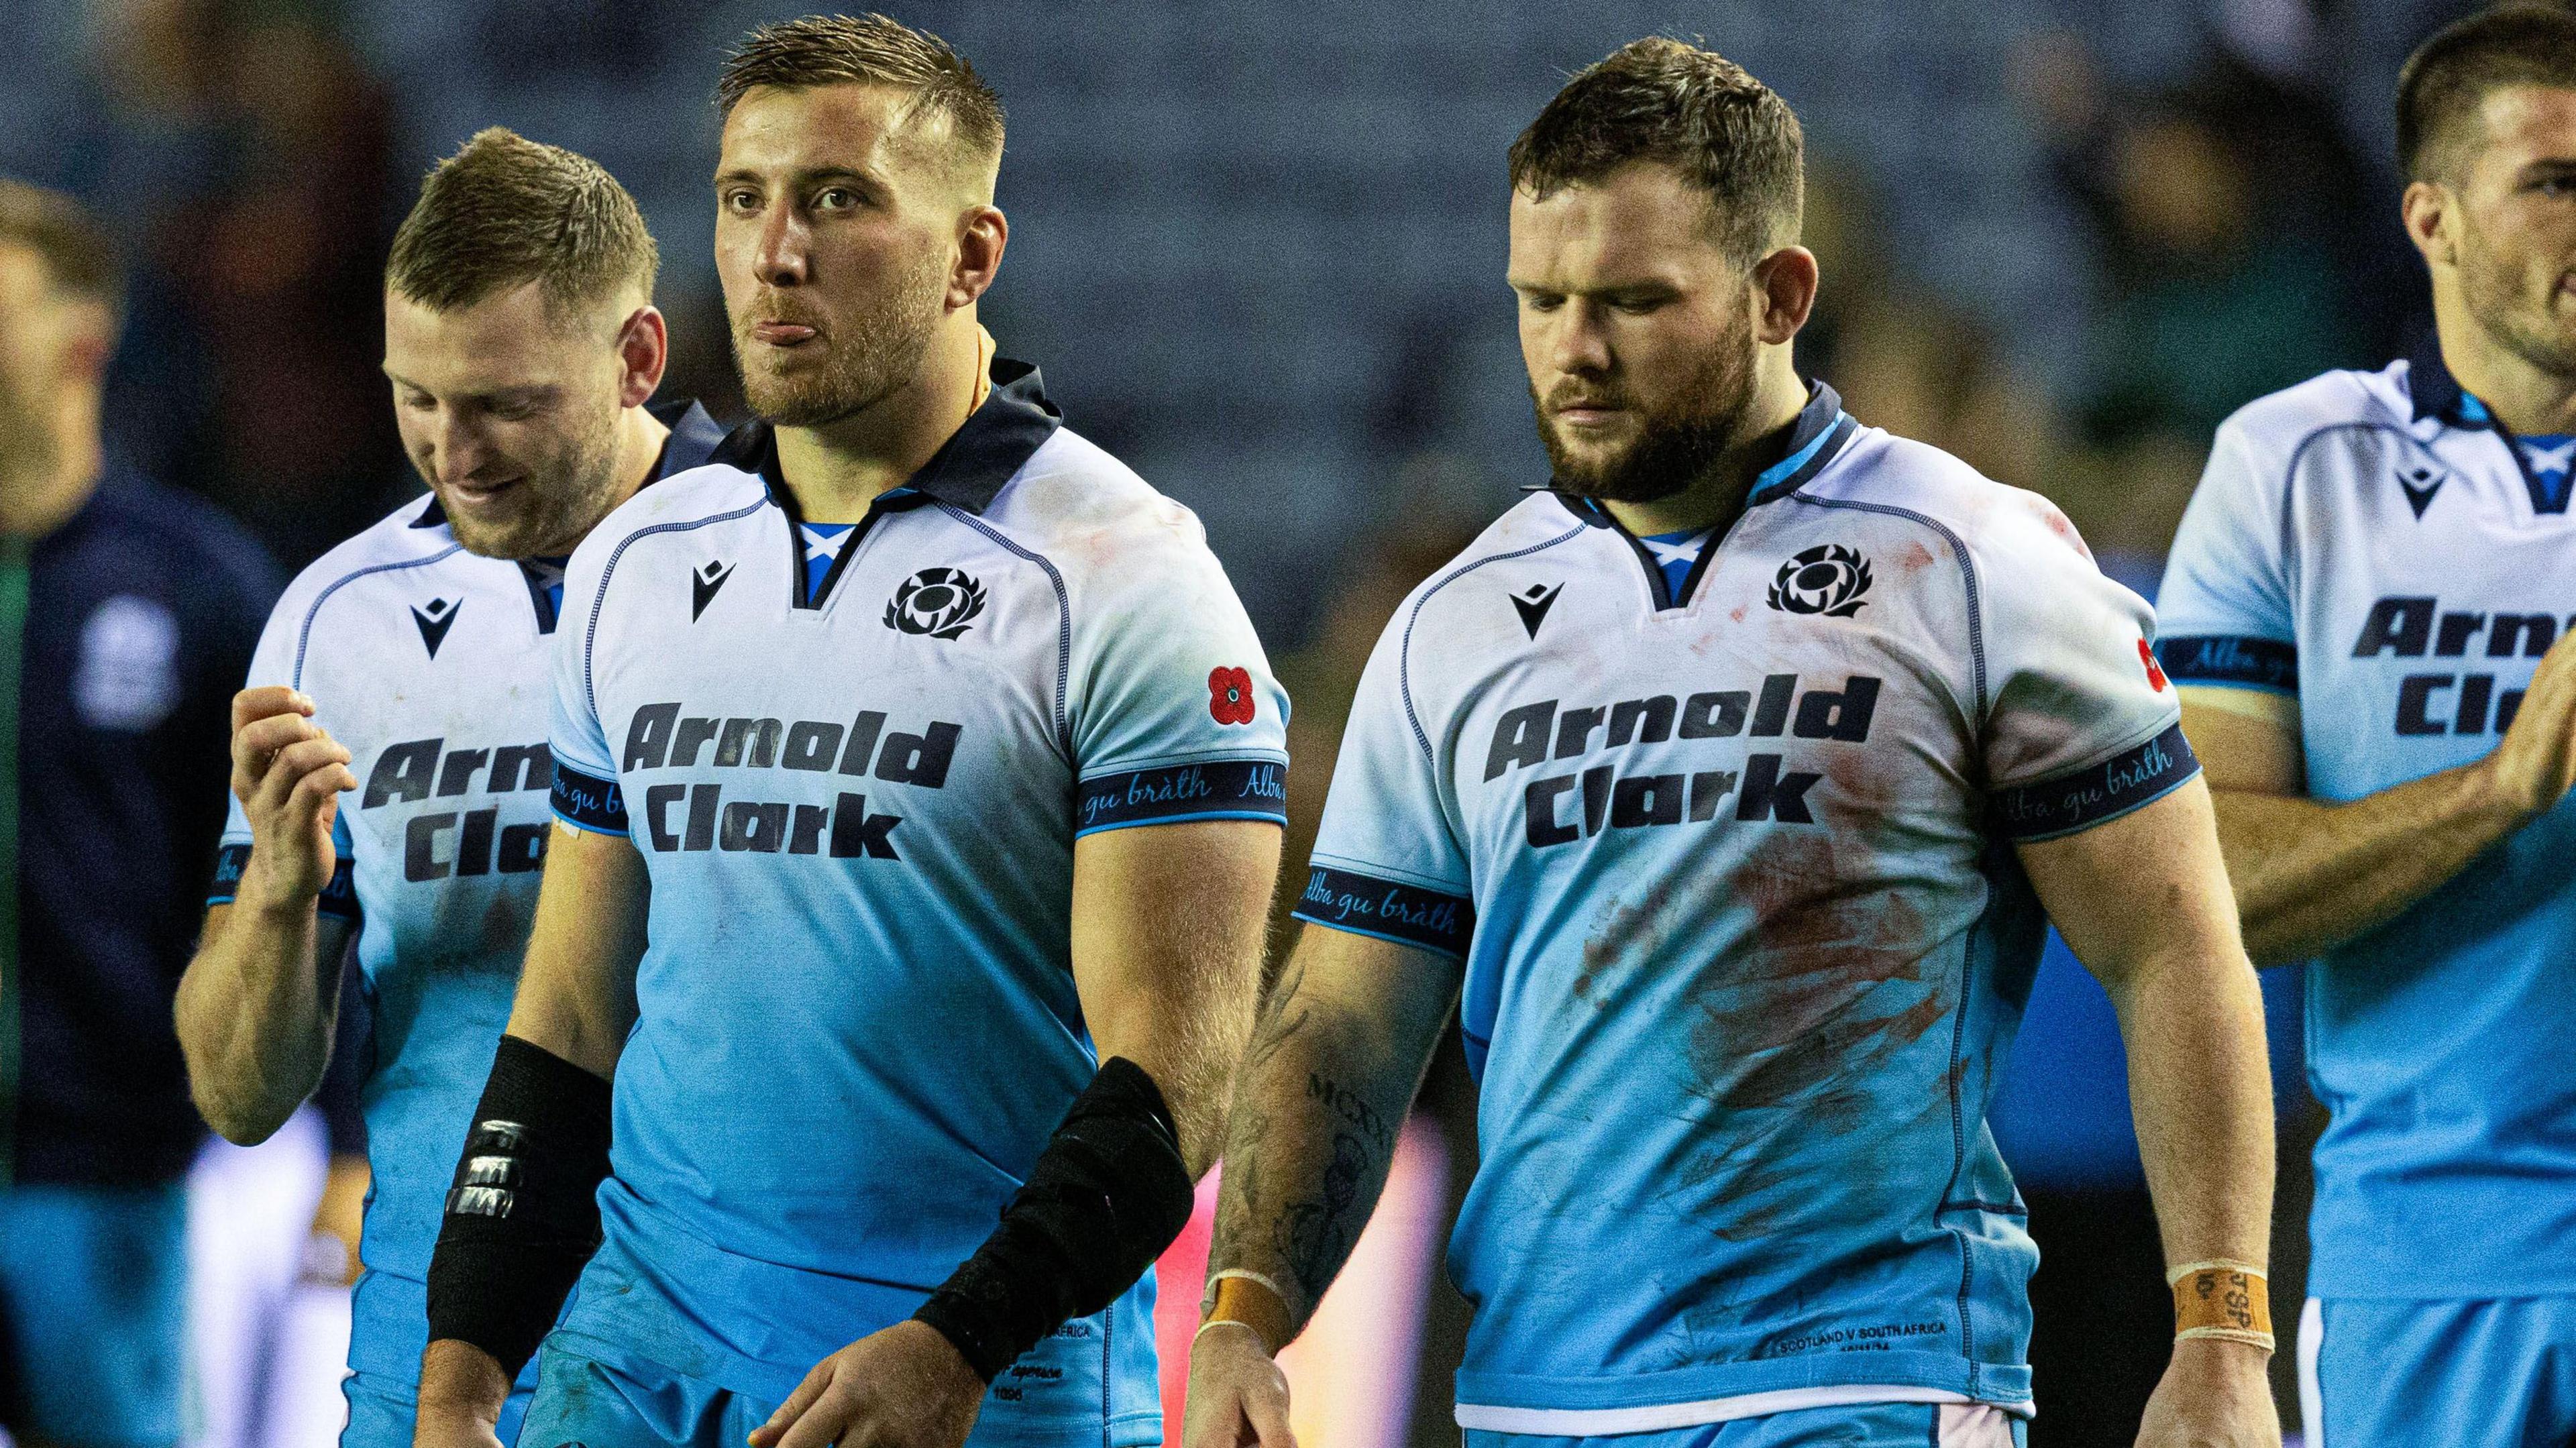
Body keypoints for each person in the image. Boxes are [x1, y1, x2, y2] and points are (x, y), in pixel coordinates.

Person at [1186, 38, 2282, 1448]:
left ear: (1781, 296)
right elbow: (1345, 1013)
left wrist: (2224, 1337)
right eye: (1542, 299)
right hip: (1534, 1402)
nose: (1574, 349)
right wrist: (1244, 1315)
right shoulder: (1450, 624)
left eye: (1636, 301)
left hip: (1871, 1392)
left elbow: (2178, 939)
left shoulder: (1976, 563)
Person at [412, 16, 1286, 1448]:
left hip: (986, 1383)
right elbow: (566, 1023)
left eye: (838, 200)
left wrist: (960, 1344)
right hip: (637, 1362)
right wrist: (461, 1377)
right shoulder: (640, 559)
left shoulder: (1129, 579)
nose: (773, 253)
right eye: (744, 197)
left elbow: (1177, 1084)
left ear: (973, 255)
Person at [172, 127, 725, 1447]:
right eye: (416, 397)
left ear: (637, 359)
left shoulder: (806, 573)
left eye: (502, 403)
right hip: (439, 1365)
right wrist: (281, 895)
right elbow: (239, 1096)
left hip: (746, 1352)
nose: (450, 449)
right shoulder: (337, 618)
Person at [2154, 8, 2576, 1444]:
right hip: (2432, 1271)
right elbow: (2215, 889)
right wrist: (2498, 793)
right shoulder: (2295, 470)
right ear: (2432, 218)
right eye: (2557, 182)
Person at [0, 177, 280, 1448]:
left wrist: (324, 1135)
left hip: (105, 1172)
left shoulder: (196, 585)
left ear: (79, 345)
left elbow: (280, 880)